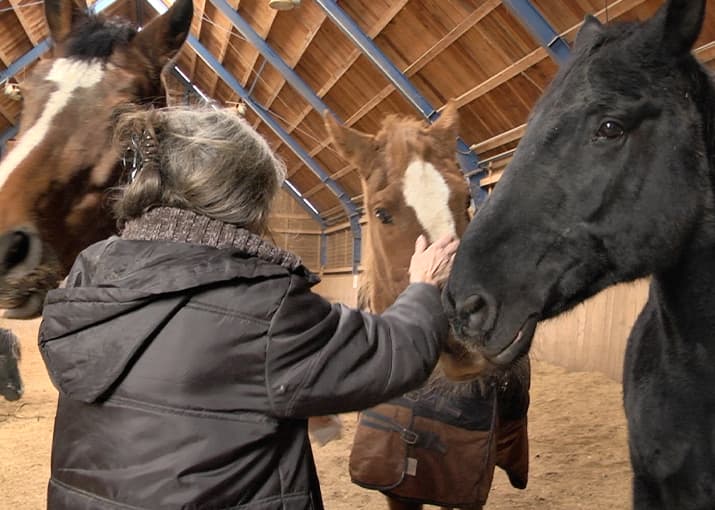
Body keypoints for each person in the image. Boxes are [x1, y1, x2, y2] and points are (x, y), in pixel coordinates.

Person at [38, 106, 459, 510]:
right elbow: (391, 353)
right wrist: (423, 287)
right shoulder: (261, 305)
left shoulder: (91, 272)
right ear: (249, 203)